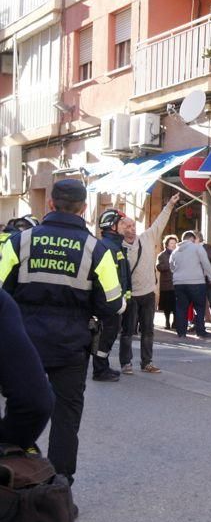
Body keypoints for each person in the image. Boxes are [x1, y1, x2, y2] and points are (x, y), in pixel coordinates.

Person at [0, 178, 124, 484]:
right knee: (66, 414)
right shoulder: (97, 249)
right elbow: (113, 303)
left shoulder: (20, 241)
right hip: (71, 343)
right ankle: (60, 484)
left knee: (22, 402)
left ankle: (16, 468)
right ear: (84, 209)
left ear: (50, 204)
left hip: (22, 340)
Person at [119, 194, 179, 375]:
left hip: (148, 293)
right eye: (127, 226)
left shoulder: (147, 238)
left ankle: (147, 362)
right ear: (120, 228)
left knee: (148, 330)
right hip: (130, 294)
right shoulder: (117, 247)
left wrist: (169, 204)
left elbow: (160, 222)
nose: (131, 228)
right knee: (128, 331)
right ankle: (126, 363)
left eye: (132, 225)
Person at [0, 288, 54, 449]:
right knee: (68, 410)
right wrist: (8, 447)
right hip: (71, 342)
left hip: (30, 327)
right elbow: (34, 402)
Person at [92, 209, 132, 382]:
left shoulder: (115, 246)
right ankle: (100, 370)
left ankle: (103, 366)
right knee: (105, 336)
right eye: (122, 224)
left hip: (115, 302)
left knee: (108, 336)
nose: (127, 228)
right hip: (108, 303)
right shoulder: (107, 247)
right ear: (113, 226)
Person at [170, 231, 211, 339]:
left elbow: (171, 267)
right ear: (192, 239)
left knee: (181, 308)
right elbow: (206, 263)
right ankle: (200, 332)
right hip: (196, 282)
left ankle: (181, 333)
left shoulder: (175, 251)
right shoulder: (197, 248)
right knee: (199, 307)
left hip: (179, 283)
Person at [156, 235, 178, 329]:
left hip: (177, 283)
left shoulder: (178, 254)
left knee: (176, 305)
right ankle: (167, 322)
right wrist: (170, 266)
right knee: (167, 306)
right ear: (167, 244)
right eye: (171, 243)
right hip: (166, 284)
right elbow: (159, 267)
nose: (173, 245)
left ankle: (175, 322)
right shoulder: (161, 255)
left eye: (174, 243)